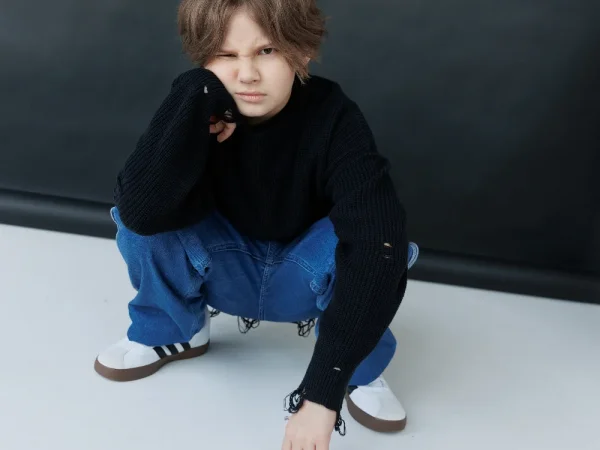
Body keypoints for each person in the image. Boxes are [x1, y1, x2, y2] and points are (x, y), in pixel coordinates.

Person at [94, 0, 419, 447]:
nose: (246, 74)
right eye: (225, 54)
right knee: (147, 204)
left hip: (302, 277)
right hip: (223, 267)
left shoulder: (334, 116)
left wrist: (322, 394)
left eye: (267, 51)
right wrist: (194, 92)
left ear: (302, 50)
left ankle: (357, 368)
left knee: (381, 240)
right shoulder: (200, 104)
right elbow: (139, 212)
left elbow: (377, 242)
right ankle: (173, 331)